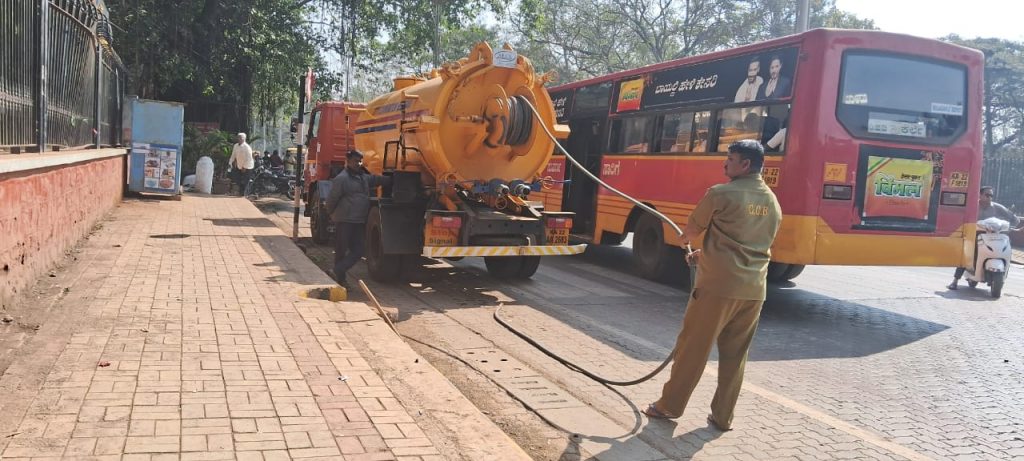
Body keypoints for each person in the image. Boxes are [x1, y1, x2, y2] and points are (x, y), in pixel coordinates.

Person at [642, 139, 782, 431]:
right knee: (735, 357)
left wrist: (687, 240)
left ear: (745, 165)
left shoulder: (720, 194)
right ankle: (723, 417)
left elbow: (689, 231)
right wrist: (704, 252)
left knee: (693, 349)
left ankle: (669, 406)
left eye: (730, 159)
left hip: (717, 288)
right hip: (754, 291)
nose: (725, 164)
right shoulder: (772, 200)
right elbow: (746, 242)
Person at [324, 150, 392, 288]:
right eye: (355, 161)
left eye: (360, 161)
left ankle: (336, 271)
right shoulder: (342, 179)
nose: (358, 164)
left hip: (359, 220)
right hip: (345, 220)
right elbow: (331, 199)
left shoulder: (363, 177)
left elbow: (376, 179)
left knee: (359, 251)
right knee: (341, 251)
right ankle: (340, 280)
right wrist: (331, 214)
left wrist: (393, 179)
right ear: (348, 161)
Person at [947, 186, 1021, 290]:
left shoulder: (996, 207)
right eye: (987, 195)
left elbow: (1015, 220)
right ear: (980, 195)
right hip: (974, 236)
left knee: (1006, 249)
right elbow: (961, 217)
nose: (990, 197)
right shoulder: (972, 206)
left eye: (991, 195)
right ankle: (955, 281)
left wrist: (1009, 227)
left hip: (993, 237)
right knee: (967, 254)